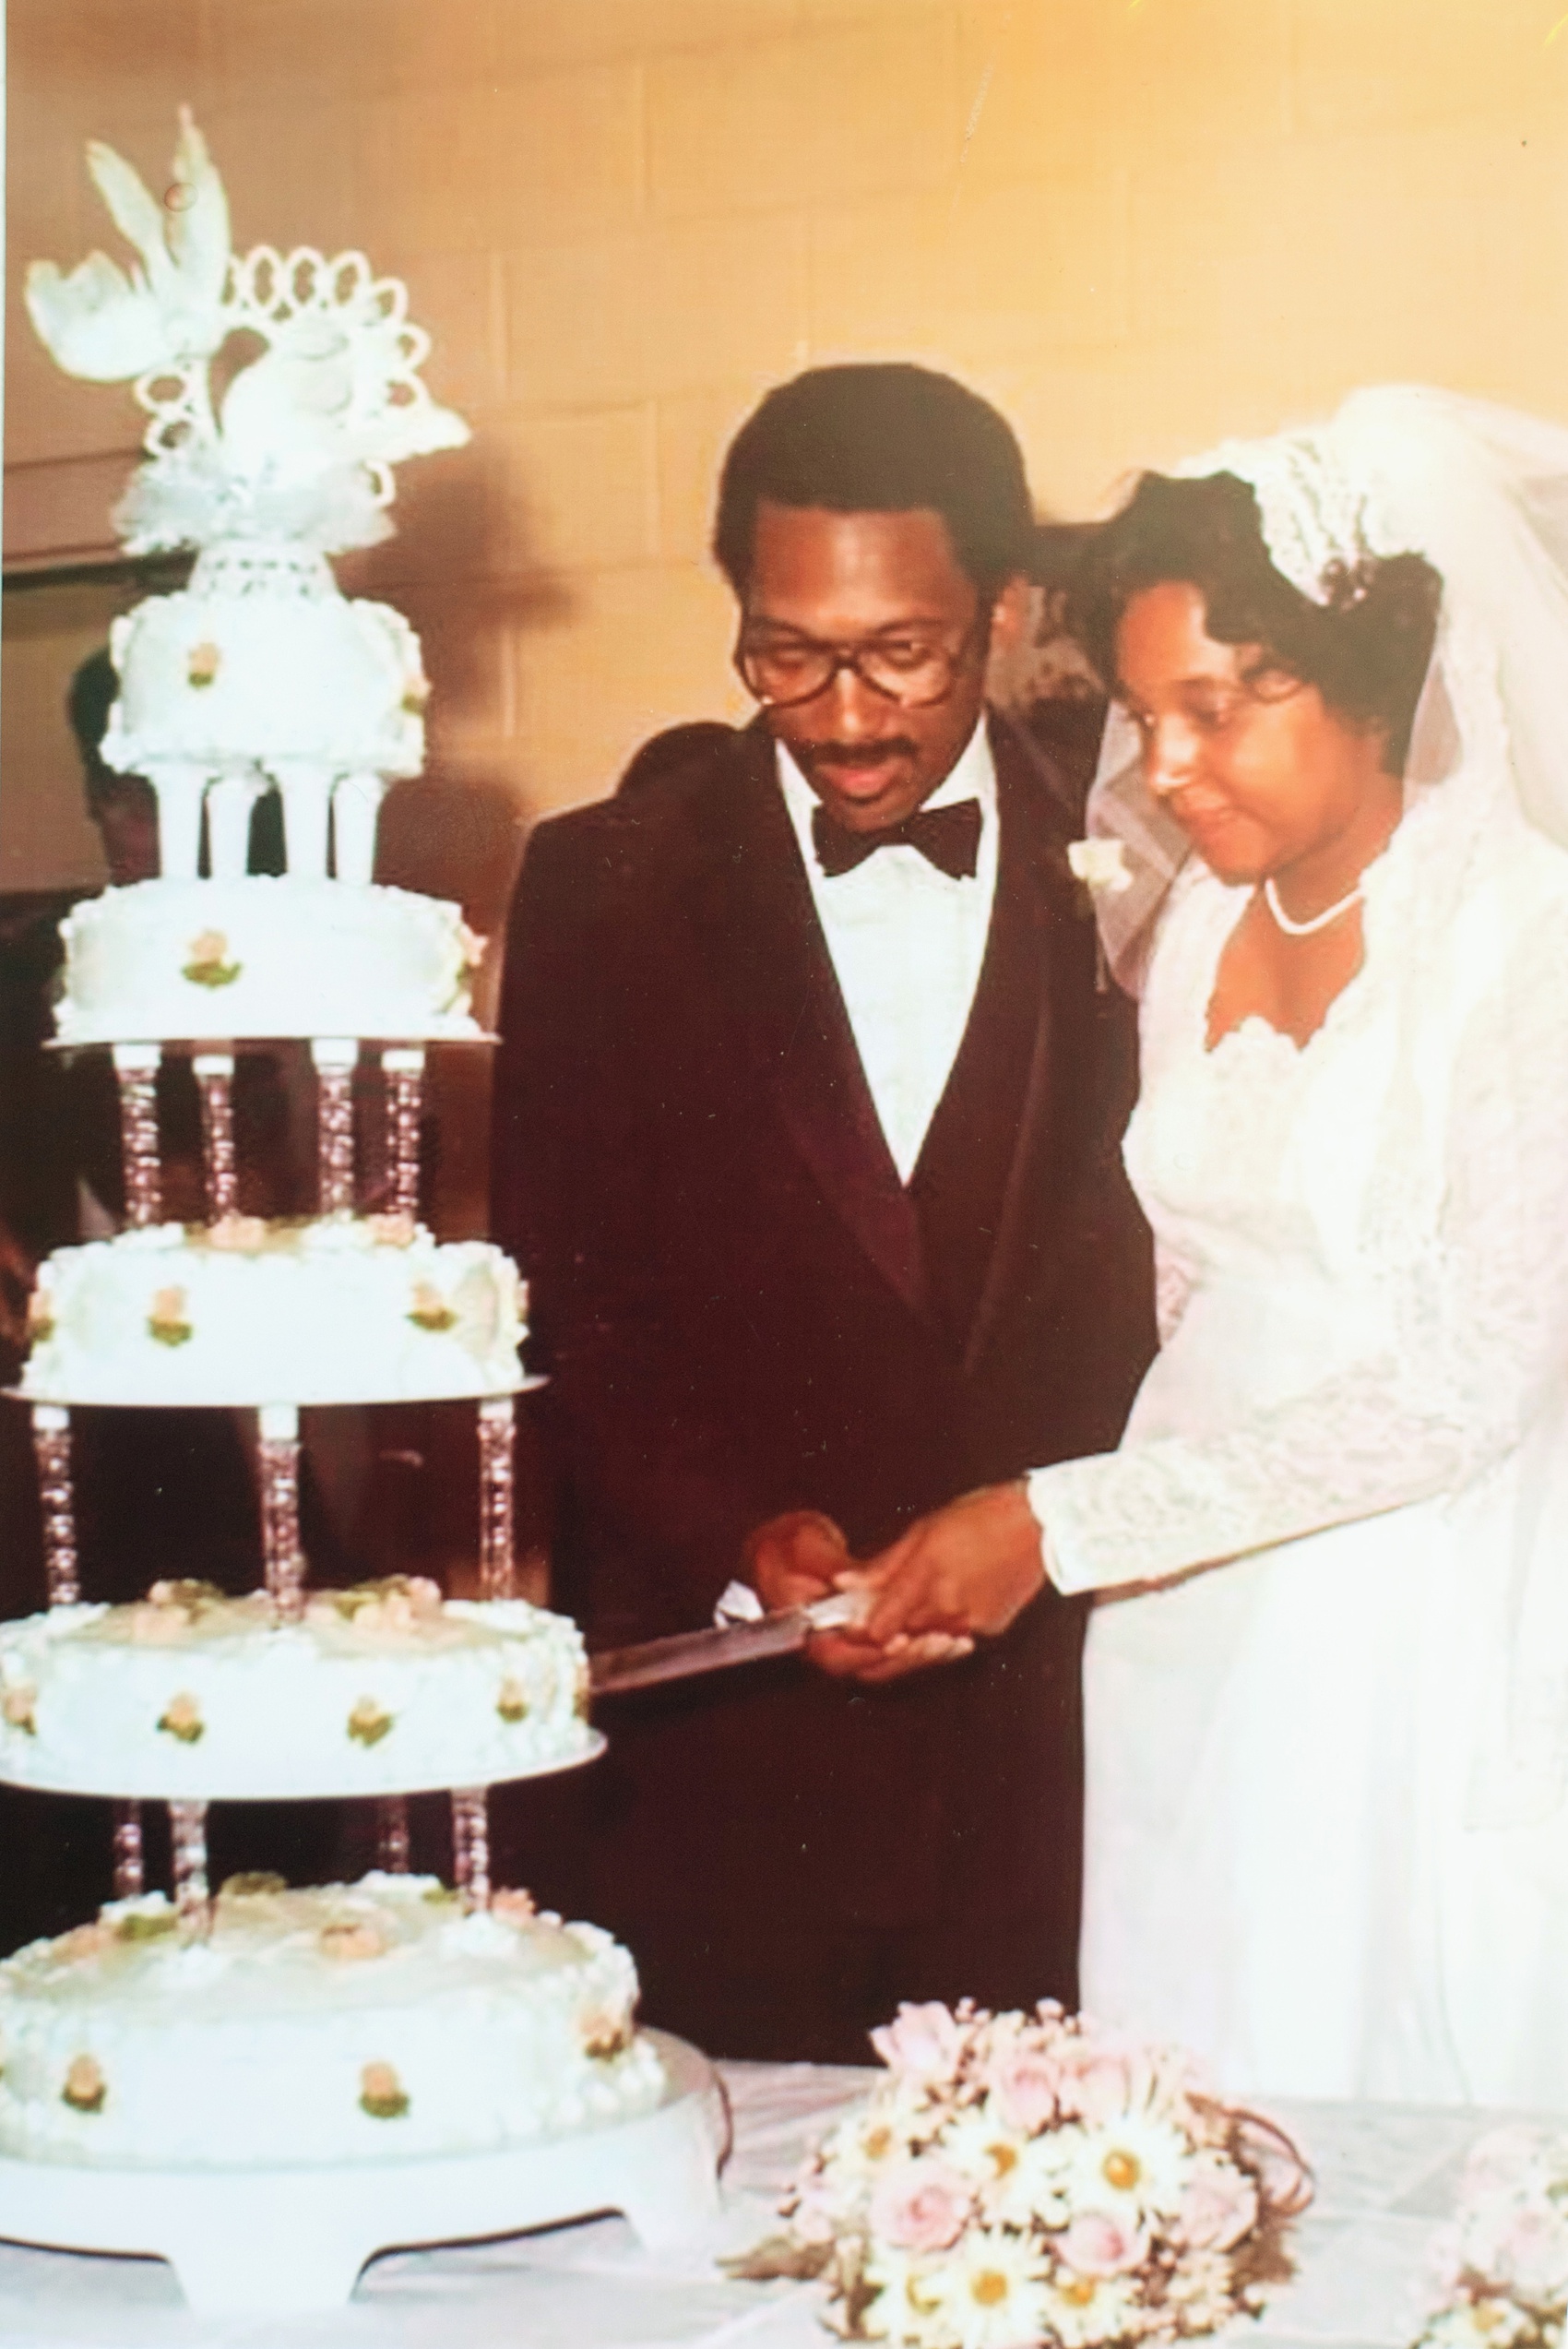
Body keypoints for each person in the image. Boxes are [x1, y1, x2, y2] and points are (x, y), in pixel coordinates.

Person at [844, 385, 1568, 2106]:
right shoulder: (1196, 936)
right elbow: (1183, 1295)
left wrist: (1066, 1521)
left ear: (1377, 680)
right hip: (1193, 1601)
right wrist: (1112, 1541)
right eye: (1145, 712)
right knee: (1202, 2070)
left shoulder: (1523, 941)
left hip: (1435, 1596)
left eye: (1223, 708)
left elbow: (1475, 1378)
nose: (1165, 767)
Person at [491, 364, 1154, 2061]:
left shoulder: (1156, 855)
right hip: (728, 1790)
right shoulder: (601, 884)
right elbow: (566, 1304)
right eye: (788, 654)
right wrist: (746, 1533)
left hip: (1076, 1762)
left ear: (1003, 611)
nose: (847, 717)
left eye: (902, 653)